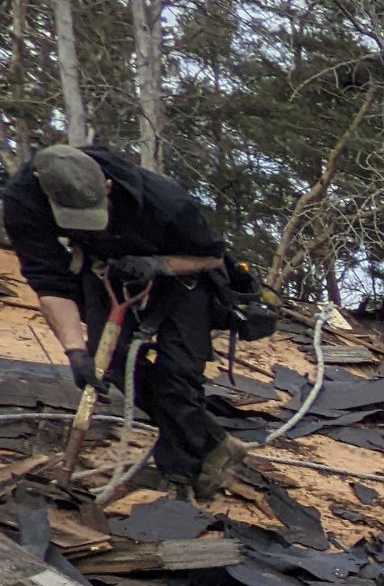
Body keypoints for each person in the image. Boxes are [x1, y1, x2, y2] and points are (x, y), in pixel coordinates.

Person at [2, 141, 248, 498]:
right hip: (108, 271)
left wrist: (157, 265)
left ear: (107, 187)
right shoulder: (24, 201)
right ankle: (214, 441)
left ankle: (181, 477)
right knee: (110, 364)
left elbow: (211, 258)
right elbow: (47, 279)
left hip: (183, 273)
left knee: (178, 374)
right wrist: (74, 352)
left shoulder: (165, 201)